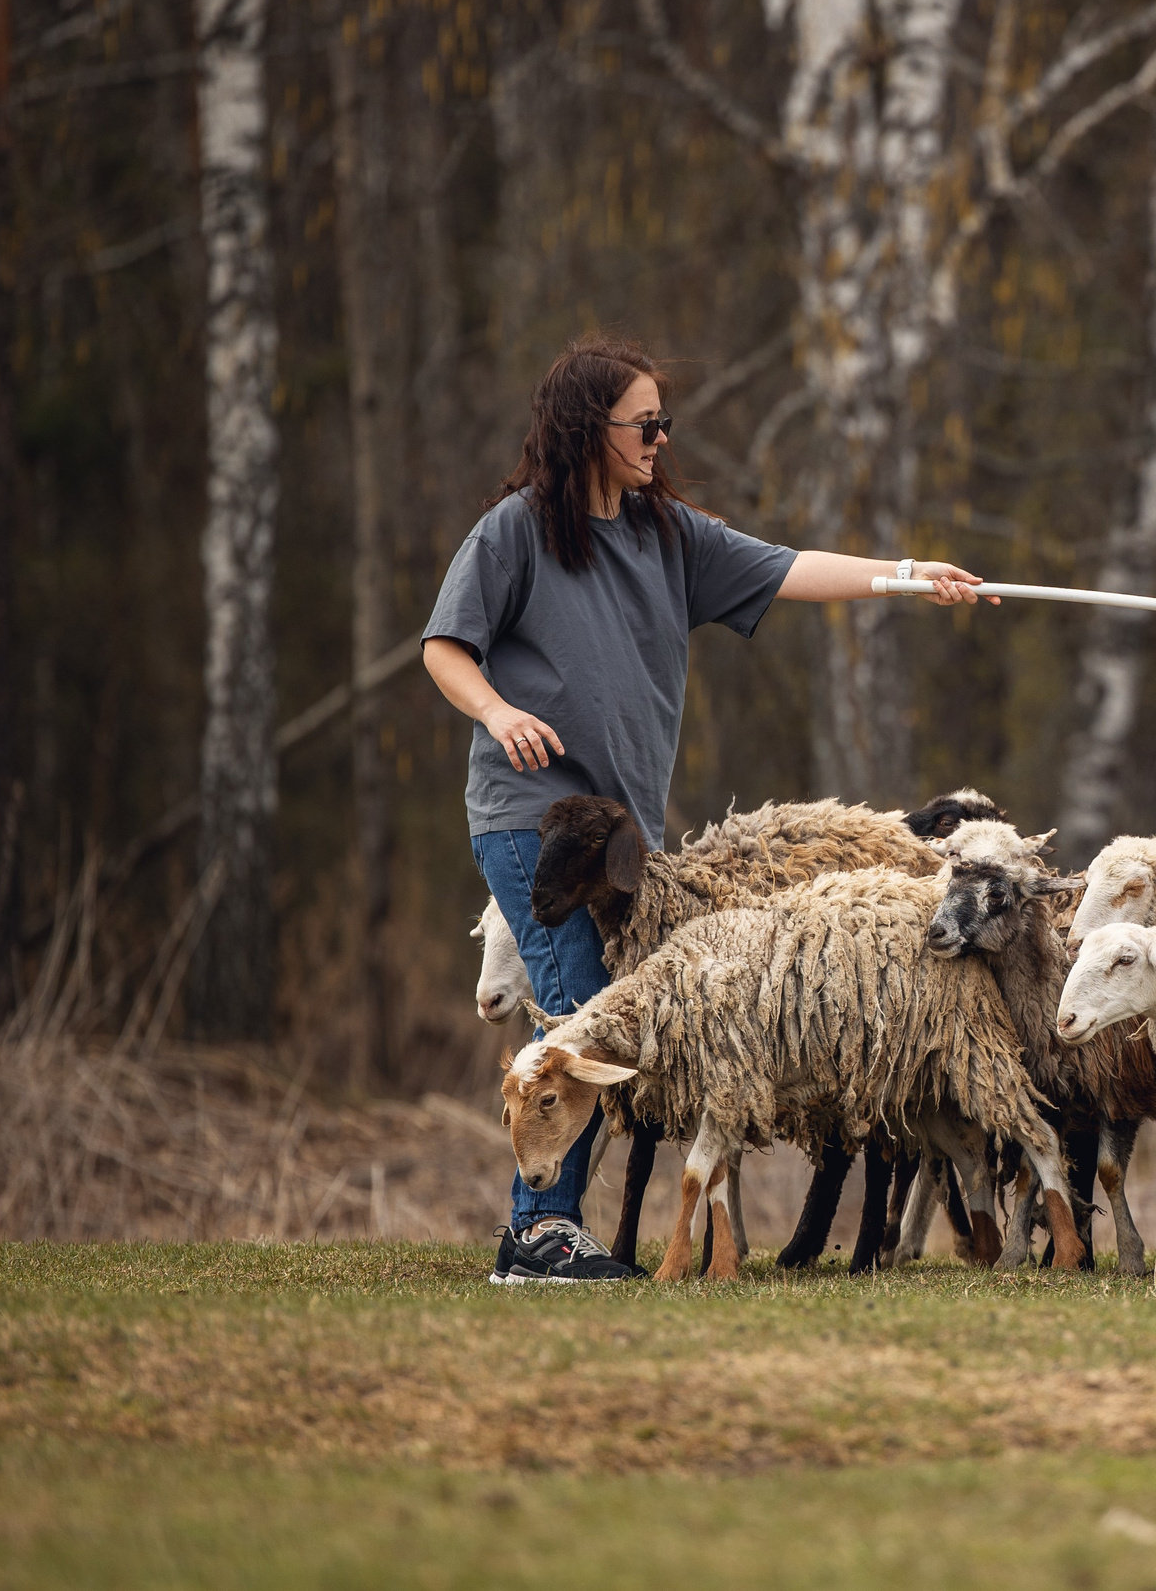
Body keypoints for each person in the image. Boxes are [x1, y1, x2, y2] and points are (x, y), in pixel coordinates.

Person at [422, 333, 991, 1283]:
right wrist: (499, 709)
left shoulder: (668, 535)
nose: (658, 438)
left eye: (662, 422)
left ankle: (549, 1227)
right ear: (584, 428)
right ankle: (538, 1234)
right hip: (531, 820)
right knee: (578, 1014)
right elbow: (445, 647)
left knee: (588, 1018)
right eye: (643, 423)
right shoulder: (514, 531)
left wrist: (908, 575)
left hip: (621, 840)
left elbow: (790, 566)